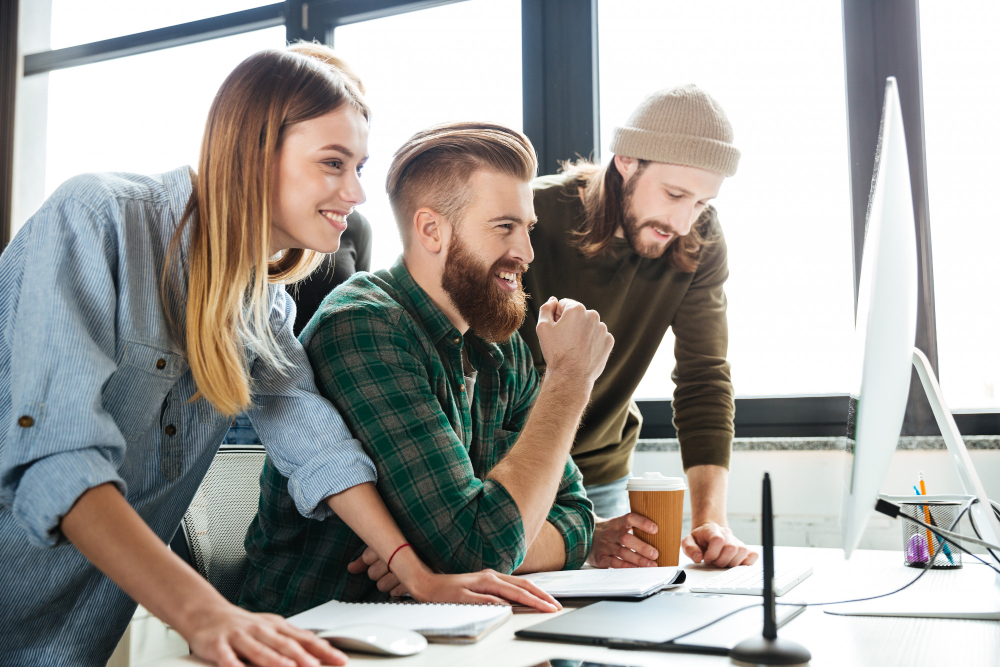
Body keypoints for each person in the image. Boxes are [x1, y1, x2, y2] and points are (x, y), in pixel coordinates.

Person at [0, 47, 555, 667]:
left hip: (68, 635)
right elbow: (58, 458)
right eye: (333, 163)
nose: (356, 191)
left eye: (359, 167)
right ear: (255, 151)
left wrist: (417, 574)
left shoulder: (262, 308)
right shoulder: (97, 218)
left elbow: (316, 445)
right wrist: (206, 612)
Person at [239, 122, 615, 616]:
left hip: (440, 626)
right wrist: (569, 379)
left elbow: (576, 519)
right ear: (431, 230)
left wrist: (456, 552)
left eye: (528, 228)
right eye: (504, 227)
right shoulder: (363, 327)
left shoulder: (501, 346)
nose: (526, 253)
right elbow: (479, 550)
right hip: (318, 630)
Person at [519, 85, 758, 569]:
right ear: (626, 160)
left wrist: (710, 520)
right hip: (511, 470)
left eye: (701, 203)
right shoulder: (529, 216)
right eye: (675, 194)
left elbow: (704, 378)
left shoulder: (700, 240)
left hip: (602, 475)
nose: (683, 223)